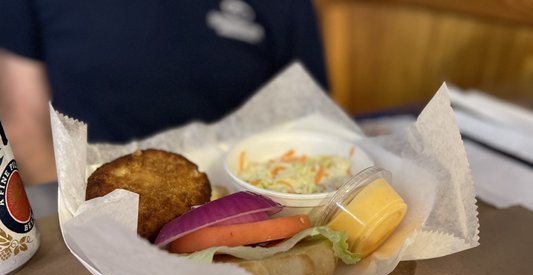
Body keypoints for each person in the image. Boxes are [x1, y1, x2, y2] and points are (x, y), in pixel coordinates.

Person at [0, 0, 329, 185]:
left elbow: (311, 124)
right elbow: (25, 122)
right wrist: (81, 224)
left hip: (245, 200)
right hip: (89, 213)